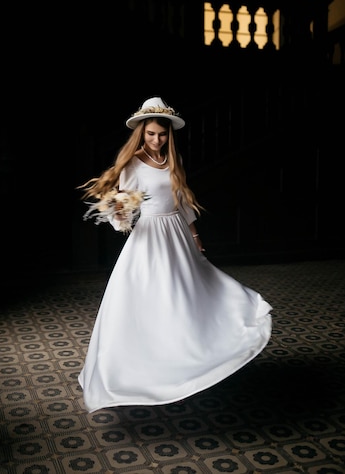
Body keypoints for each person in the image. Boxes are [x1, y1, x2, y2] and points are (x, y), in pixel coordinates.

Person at [77, 96, 272, 413]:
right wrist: (116, 210)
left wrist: (195, 236)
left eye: (162, 134)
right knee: (154, 301)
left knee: (192, 295)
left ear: (169, 134)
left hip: (178, 236)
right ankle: (150, 369)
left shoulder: (172, 159)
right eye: (151, 134)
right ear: (142, 132)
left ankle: (191, 355)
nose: (156, 140)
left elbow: (181, 201)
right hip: (150, 239)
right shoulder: (132, 164)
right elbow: (122, 218)